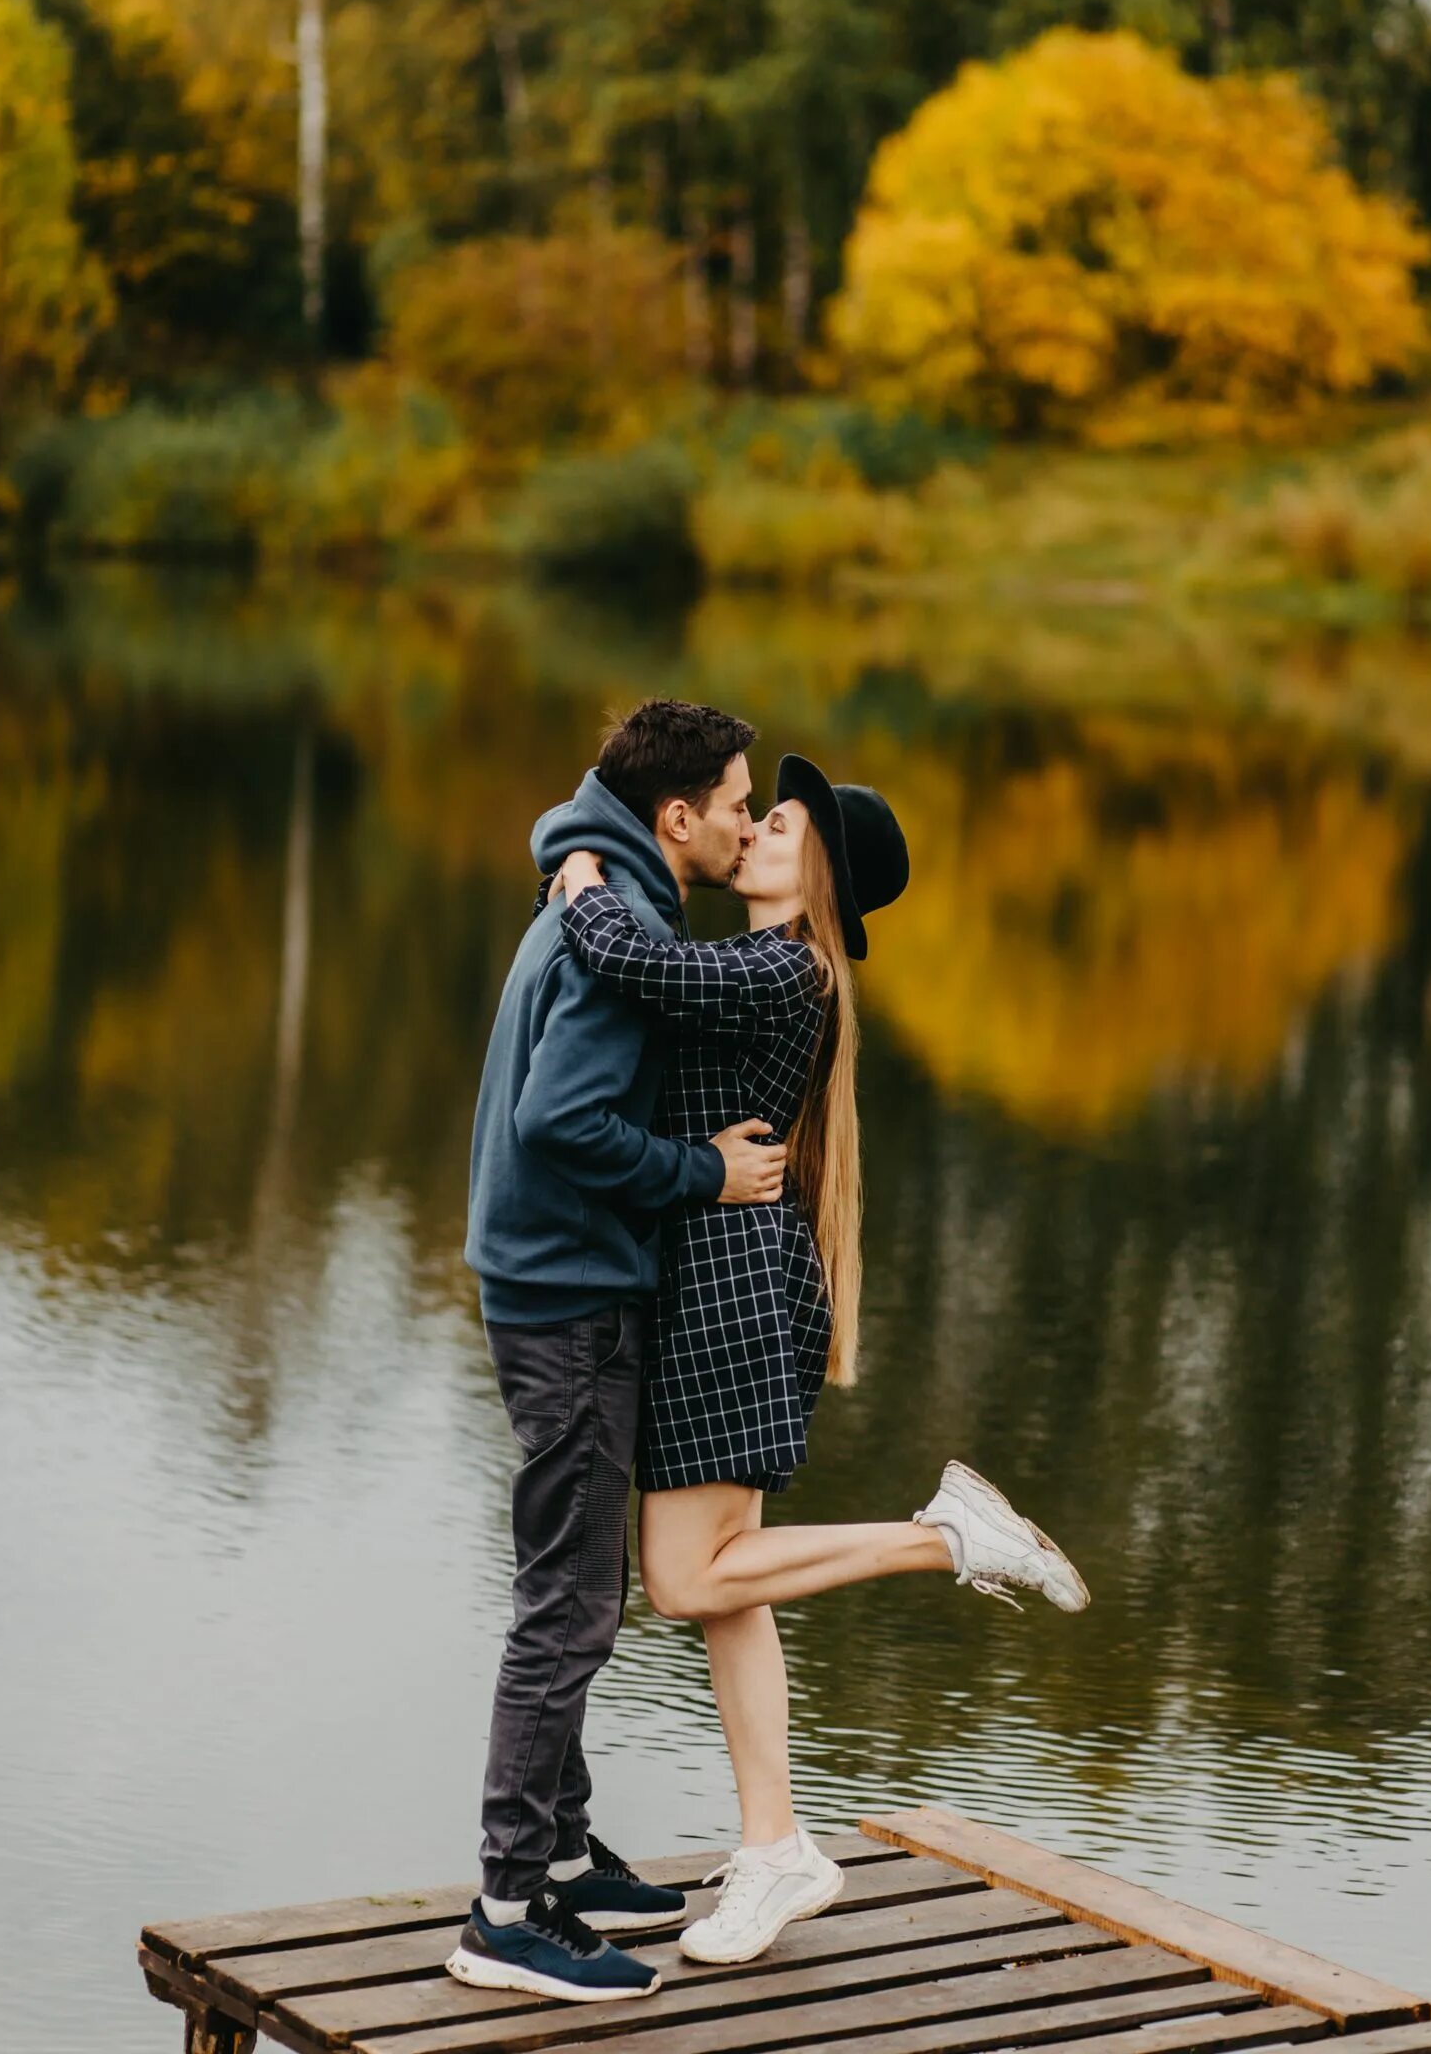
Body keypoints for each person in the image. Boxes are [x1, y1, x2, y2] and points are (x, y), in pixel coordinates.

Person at [552, 752, 1089, 1970]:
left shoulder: (785, 964)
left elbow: (639, 964)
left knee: (691, 1580)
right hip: (725, 1282)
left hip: (731, 1294)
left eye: (776, 823)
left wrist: (578, 875)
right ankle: (774, 1845)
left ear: (821, 879)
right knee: (728, 1591)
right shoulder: (778, 967)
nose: (751, 831)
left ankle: (944, 1537)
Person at [447, 701, 793, 2008]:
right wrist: (700, 1173)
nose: (752, 821)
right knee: (571, 1605)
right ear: (676, 817)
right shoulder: (625, 931)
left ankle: (566, 1849)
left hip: (554, 1284)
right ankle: (504, 1906)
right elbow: (558, 1122)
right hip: (569, 1300)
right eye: (739, 800)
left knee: (572, 1584)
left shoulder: (600, 886)